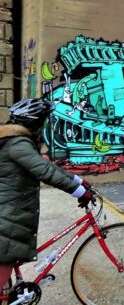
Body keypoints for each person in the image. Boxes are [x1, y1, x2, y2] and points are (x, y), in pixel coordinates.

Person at [0, 98, 94, 289]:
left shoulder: (14, 139)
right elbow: (45, 172)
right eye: (44, 121)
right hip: (8, 211)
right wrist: (79, 193)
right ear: (35, 122)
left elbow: (45, 166)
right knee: (5, 257)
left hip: (11, 207)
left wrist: (77, 180)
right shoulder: (18, 144)